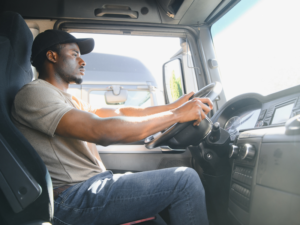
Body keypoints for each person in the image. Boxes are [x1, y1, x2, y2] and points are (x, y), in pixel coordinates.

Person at [11, 30, 212, 225]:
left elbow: (120, 113)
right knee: (184, 181)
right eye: (74, 54)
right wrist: (176, 116)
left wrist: (173, 106)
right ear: (52, 56)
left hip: (91, 186)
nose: (83, 61)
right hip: (71, 200)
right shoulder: (35, 93)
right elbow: (103, 131)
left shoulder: (68, 100)